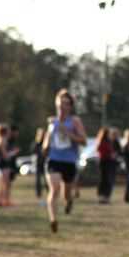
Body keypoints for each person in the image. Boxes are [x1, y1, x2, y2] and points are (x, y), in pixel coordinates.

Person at [43, 89, 87, 233]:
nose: (62, 106)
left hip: (69, 161)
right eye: (60, 103)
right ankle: (53, 220)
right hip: (54, 160)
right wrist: (44, 147)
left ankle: (69, 201)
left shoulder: (74, 121)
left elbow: (84, 141)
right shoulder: (52, 122)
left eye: (66, 104)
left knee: (66, 194)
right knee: (54, 189)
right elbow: (46, 142)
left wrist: (67, 132)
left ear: (70, 106)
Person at [0, 123, 18, 208]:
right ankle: (2, 201)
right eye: (8, 131)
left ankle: (2, 201)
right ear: (5, 132)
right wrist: (14, 152)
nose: (9, 132)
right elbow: (5, 155)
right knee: (4, 184)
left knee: (3, 183)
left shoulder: (0, 139)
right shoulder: (3, 140)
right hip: (4, 164)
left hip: (3, 164)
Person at [96, 127, 116, 204]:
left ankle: (104, 197)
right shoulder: (104, 142)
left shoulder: (107, 141)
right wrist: (111, 155)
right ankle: (103, 197)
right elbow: (103, 152)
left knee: (105, 180)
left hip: (106, 162)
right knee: (105, 180)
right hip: (105, 162)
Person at [32, 128, 47, 200]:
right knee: (38, 180)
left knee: (46, 179)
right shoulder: (36, 143)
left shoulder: (46, 142)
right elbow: (33, 151)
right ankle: (38, 194)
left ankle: (49, 192)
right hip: (38, 163)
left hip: (45, 163)